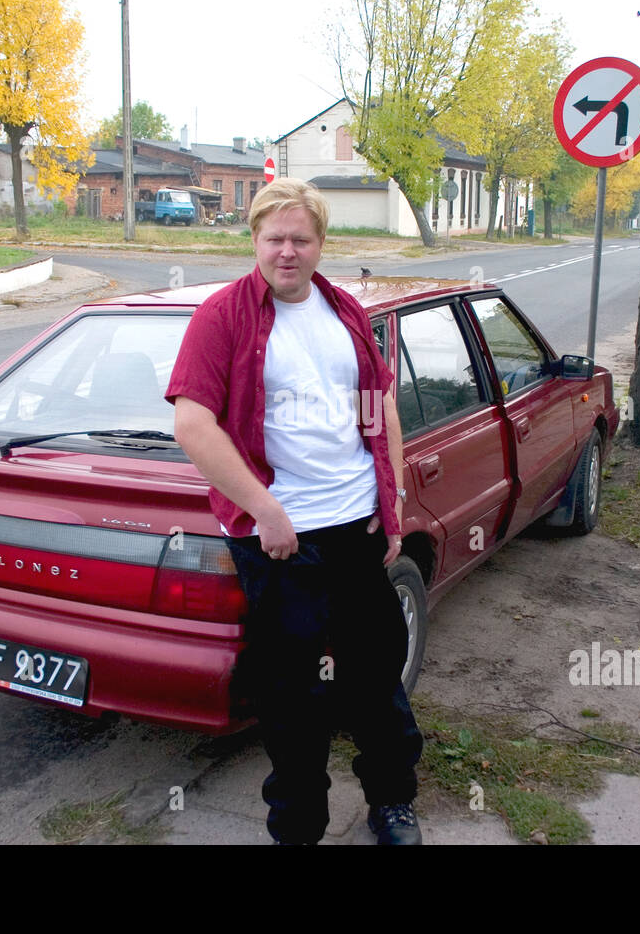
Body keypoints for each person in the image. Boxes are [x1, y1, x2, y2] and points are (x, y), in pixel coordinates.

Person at [165, 177, 424, 845]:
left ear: (319, 244)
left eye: (300, 238)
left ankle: (392, 800)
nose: (287, 251)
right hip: (279, 540)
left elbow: (382, 406)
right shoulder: (222, 317)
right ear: (254, 240)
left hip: (355, 527)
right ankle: (299, 827)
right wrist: (264, 512)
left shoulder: (345, 312)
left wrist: (390, 496)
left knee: (375, 676)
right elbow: (194, 425)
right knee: (293, 695)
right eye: (274, 238)